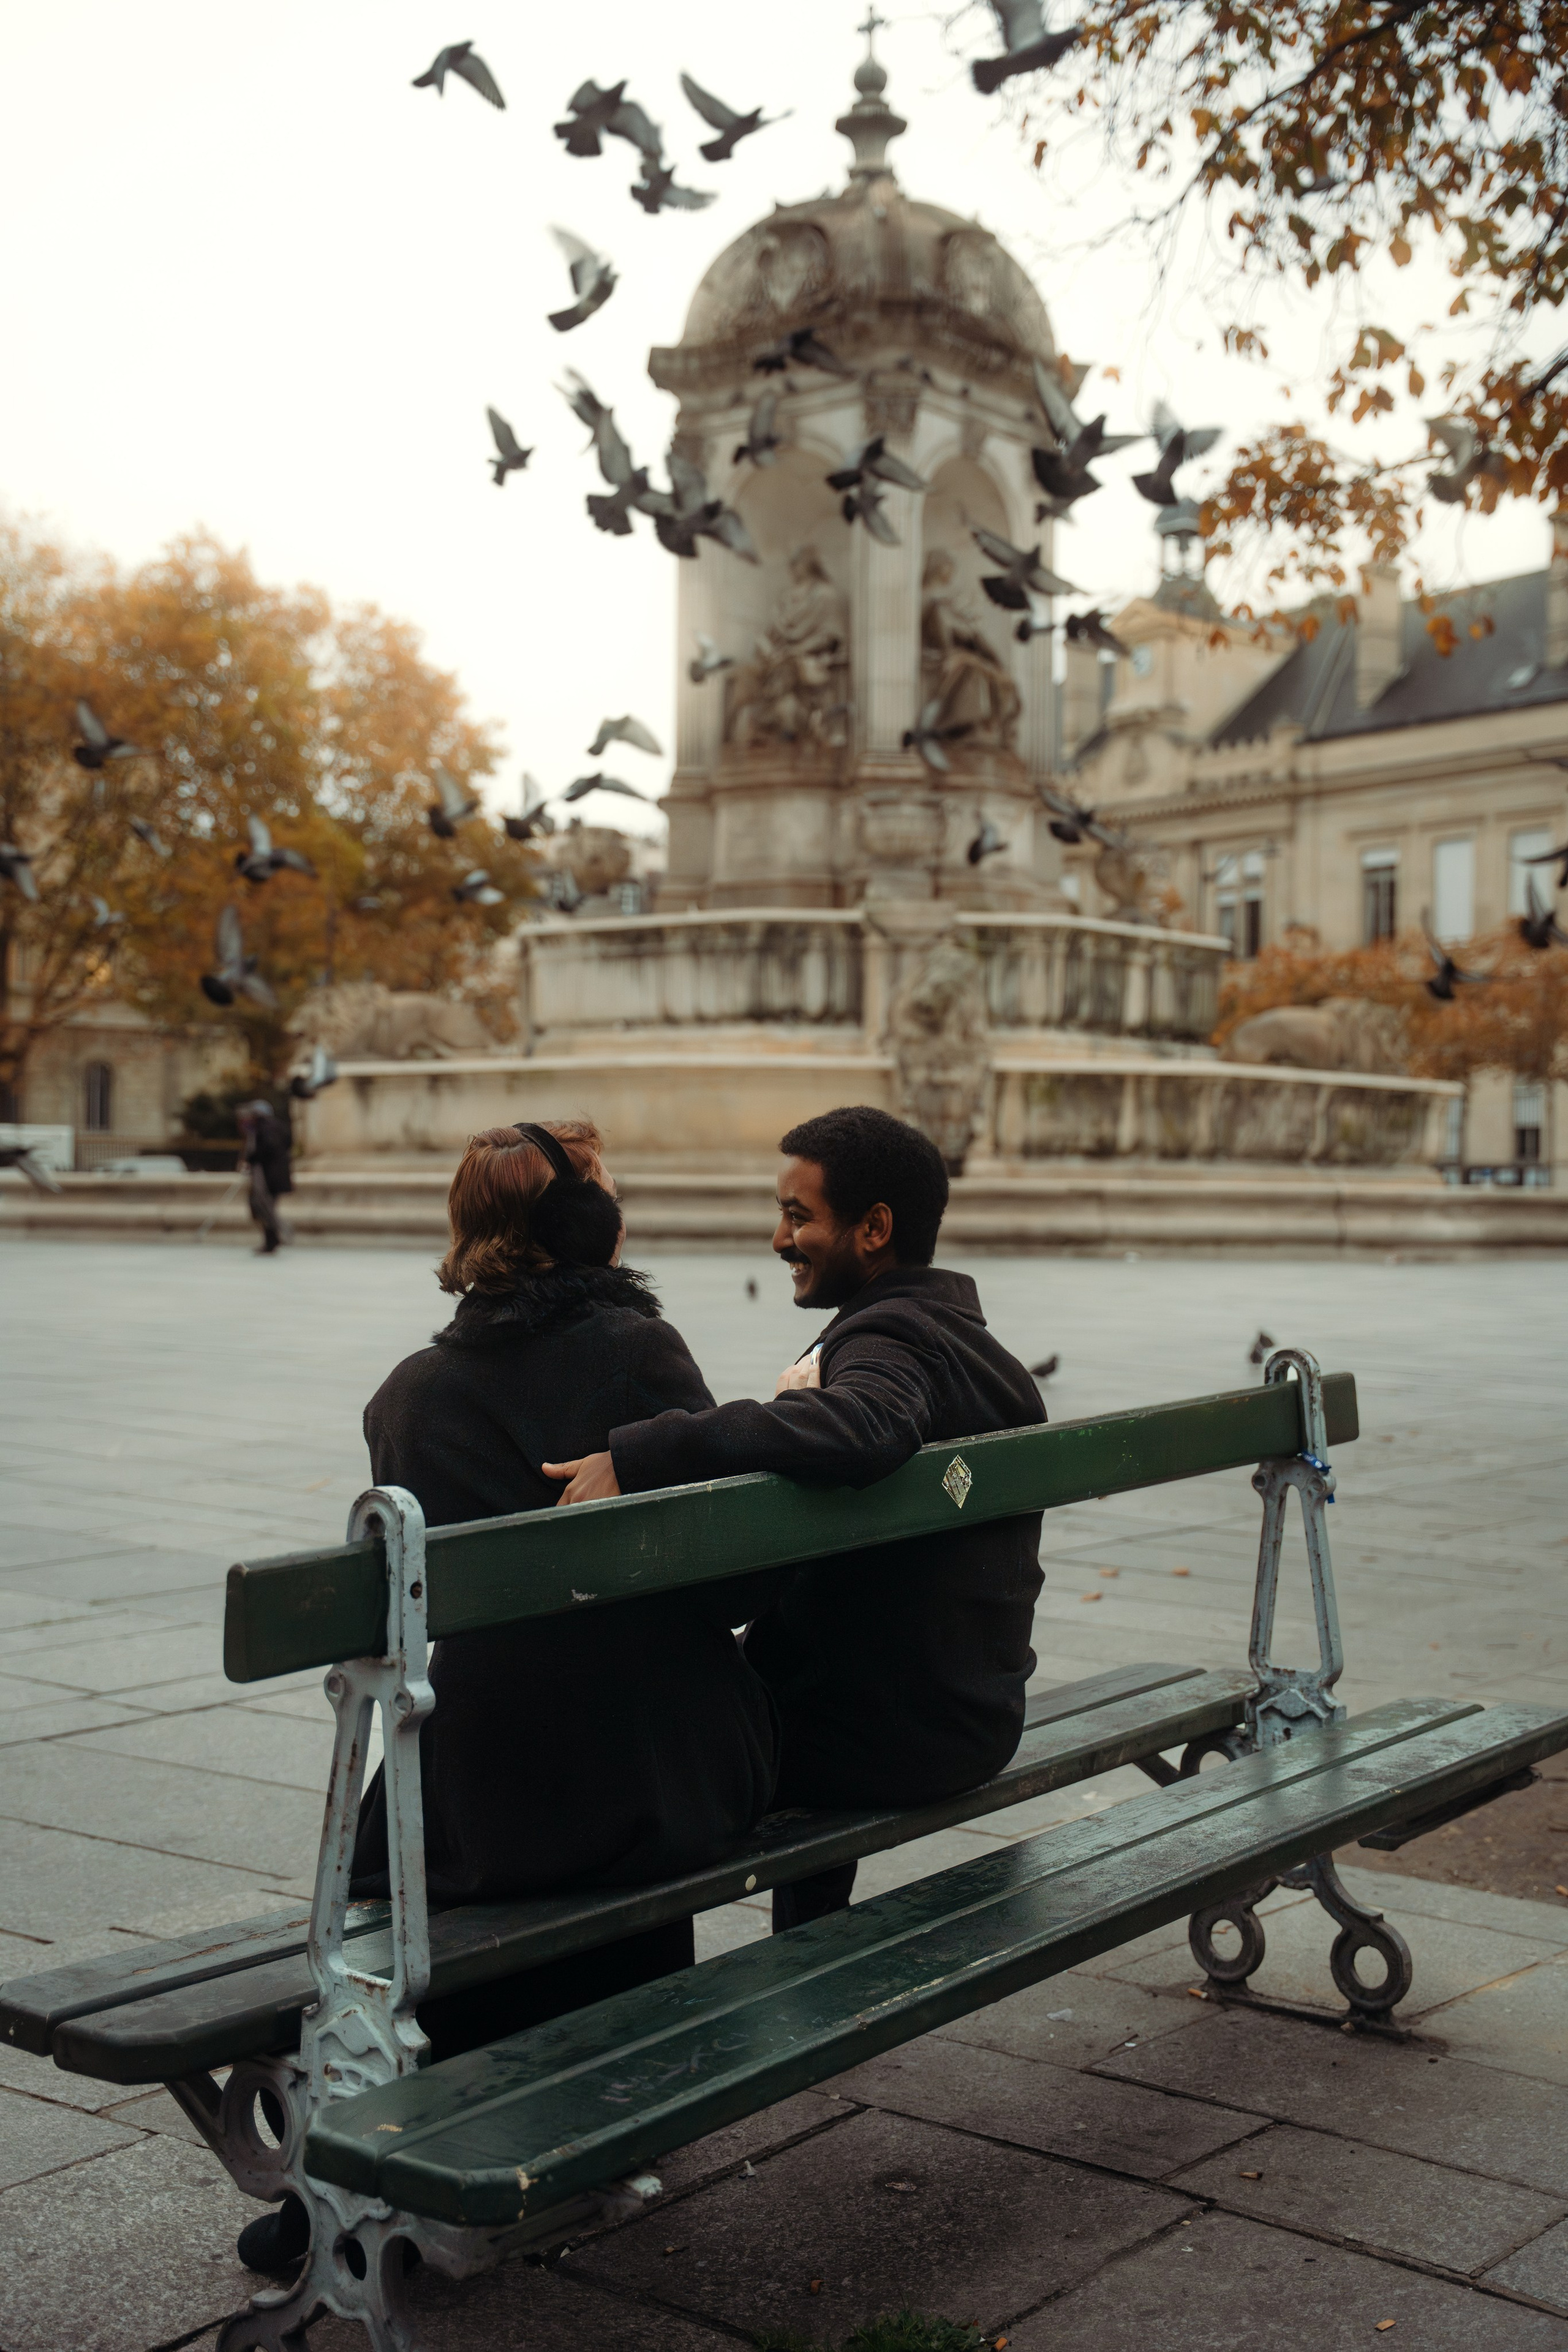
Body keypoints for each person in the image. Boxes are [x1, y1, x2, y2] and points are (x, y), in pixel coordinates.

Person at [236, 1119, 777, 2277]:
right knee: (585, 1759)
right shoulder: (639, 1351)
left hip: (495, 1789)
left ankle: (371, 2142)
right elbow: (734, 1586)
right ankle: (588, 2103)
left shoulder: (407, 1397)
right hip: (668, 1781)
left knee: (404, 1846)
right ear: (581, 1225)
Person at [547, 1104, 1046, 1933]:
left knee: (612, 1747)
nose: (779, 1240)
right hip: (975, 1715)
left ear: (874, 1229)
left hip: (878, 1740)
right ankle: (805, 1945)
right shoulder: (967, 1342)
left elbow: (868, 1422)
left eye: (797, 1215)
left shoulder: (890, 1338)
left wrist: (644, 1451)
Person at [238, 1098, 292, 1254]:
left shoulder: (262, 1129)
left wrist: (252, 1158)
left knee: (262, 1206)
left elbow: (265, 1149)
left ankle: (277, 1235)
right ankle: (272, 1240)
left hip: (266, 1176)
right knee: (267, 1207)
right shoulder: (280, 1127)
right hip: (278, 1175)